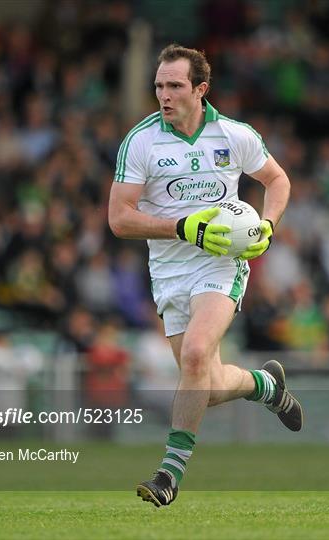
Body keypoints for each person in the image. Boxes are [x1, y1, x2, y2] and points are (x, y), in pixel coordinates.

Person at [108, 44, 302, 507]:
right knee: (206, 385)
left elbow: (278, 181)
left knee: (196, 354)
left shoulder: (234, 135)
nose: (164, 95)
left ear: (201, 89)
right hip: (169, 271)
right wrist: (180, 226)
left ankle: (168, 475)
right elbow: (119, 218)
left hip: (221, 263)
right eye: (158, 85)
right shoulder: (141, 141)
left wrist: (267, 228)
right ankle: (266, 386)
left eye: (174, 86)